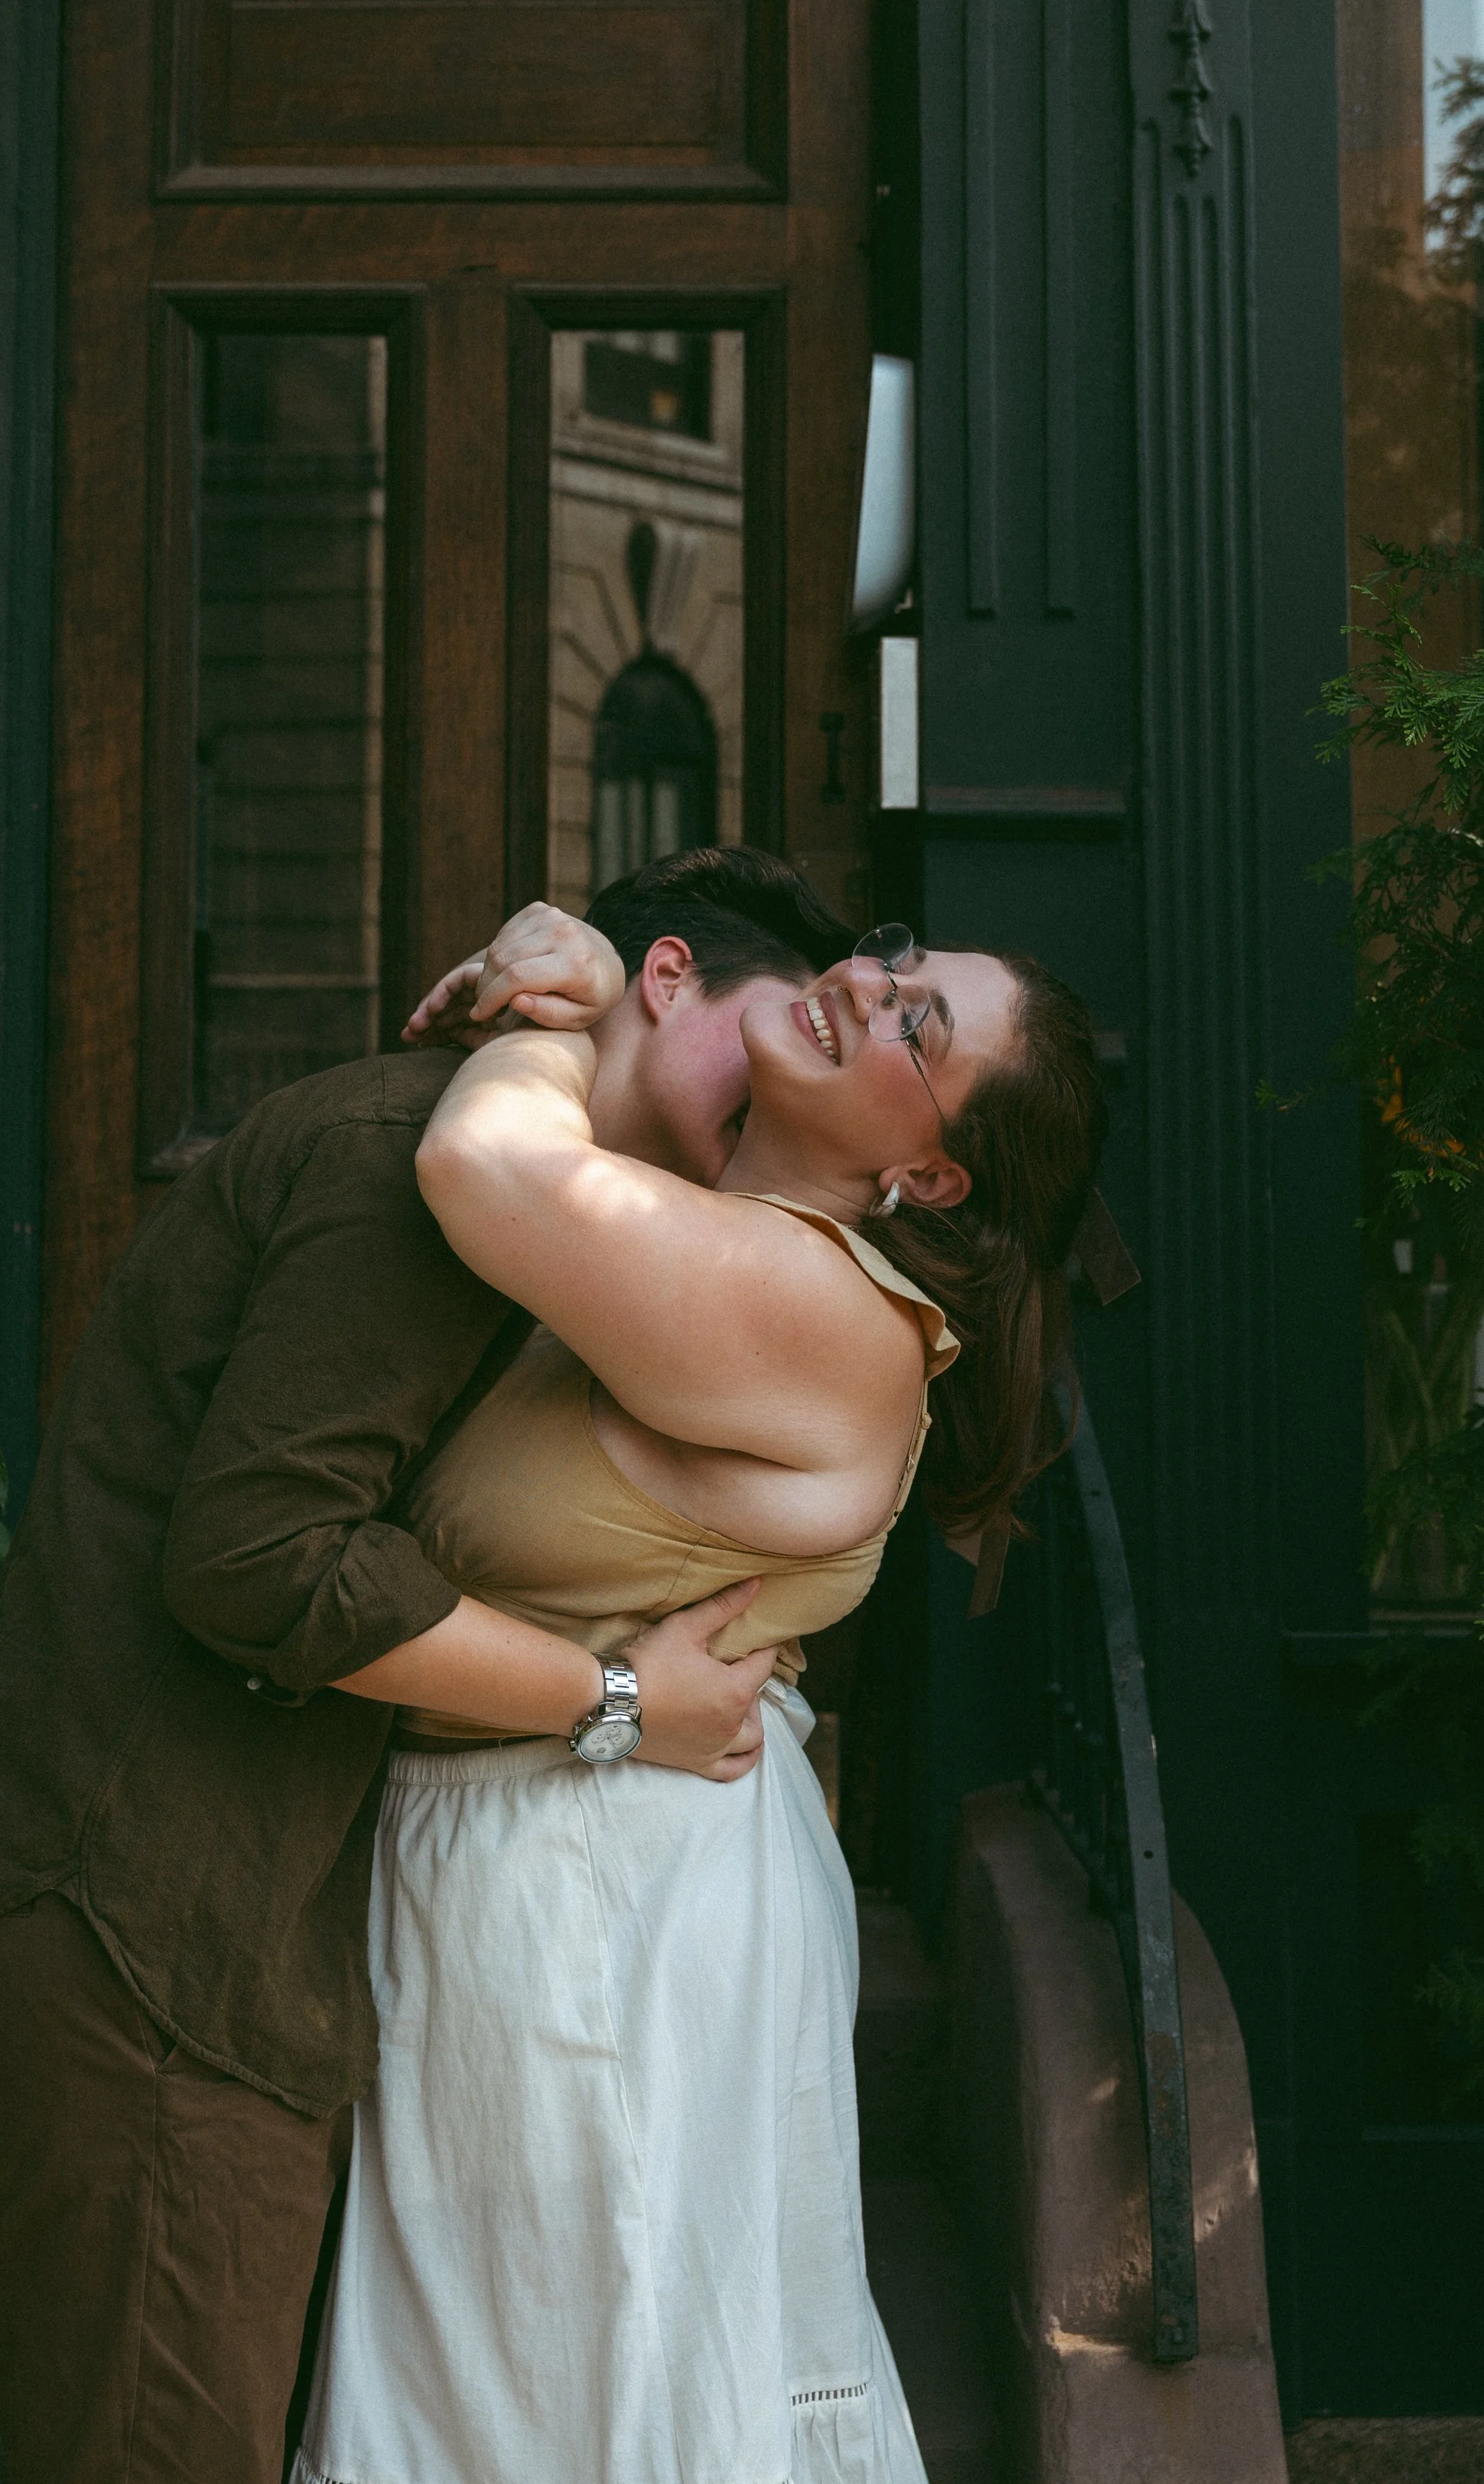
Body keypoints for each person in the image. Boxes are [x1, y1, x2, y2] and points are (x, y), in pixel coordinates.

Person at [0, 847, 853, 2484]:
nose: (767, 1094)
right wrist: (624, 1709)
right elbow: (261, 1559)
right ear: (661, 977)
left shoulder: (540, 1212)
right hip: (130, 1929)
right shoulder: (409, 1168)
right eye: (770, 1032)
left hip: (211, 1938)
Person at [291, 919, 1107, 2484]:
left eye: (917, 1028)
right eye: (891, 962)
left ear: (930, 1176)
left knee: (593, 2413)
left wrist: (569, 998)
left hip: (611, 1905)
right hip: (541, 1866)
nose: (866, 986)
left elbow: (484, 1170)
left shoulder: (828, 1314)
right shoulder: (699, 1245)